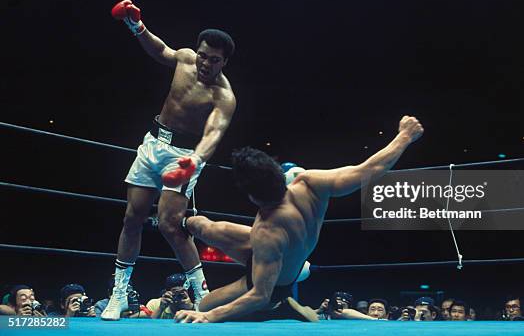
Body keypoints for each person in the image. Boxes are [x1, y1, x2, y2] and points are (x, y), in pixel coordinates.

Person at [176, 115, 424, 323]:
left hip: (272, 284)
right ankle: (177, 222)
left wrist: (211, 316)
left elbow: (259, 294)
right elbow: (368, 170)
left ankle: (279, 308)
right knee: (202, 226)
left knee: (204, 306)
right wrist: (405, 136)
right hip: (289, 260)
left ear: (252, 197)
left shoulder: (267, 230)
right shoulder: (310, 183)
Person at [102, 0, 237, 320]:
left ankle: (203, 294)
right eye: (202, 55)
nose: (205, 63)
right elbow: (159, 50)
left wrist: (195, 161)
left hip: (185, 156)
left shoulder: (224, 97)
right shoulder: (186, 59)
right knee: (132, 218)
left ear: (224, 62)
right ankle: (118, 294)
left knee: (170, 225)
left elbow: (213, 135)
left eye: (213, 60)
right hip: (152, 144)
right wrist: (135, 25)